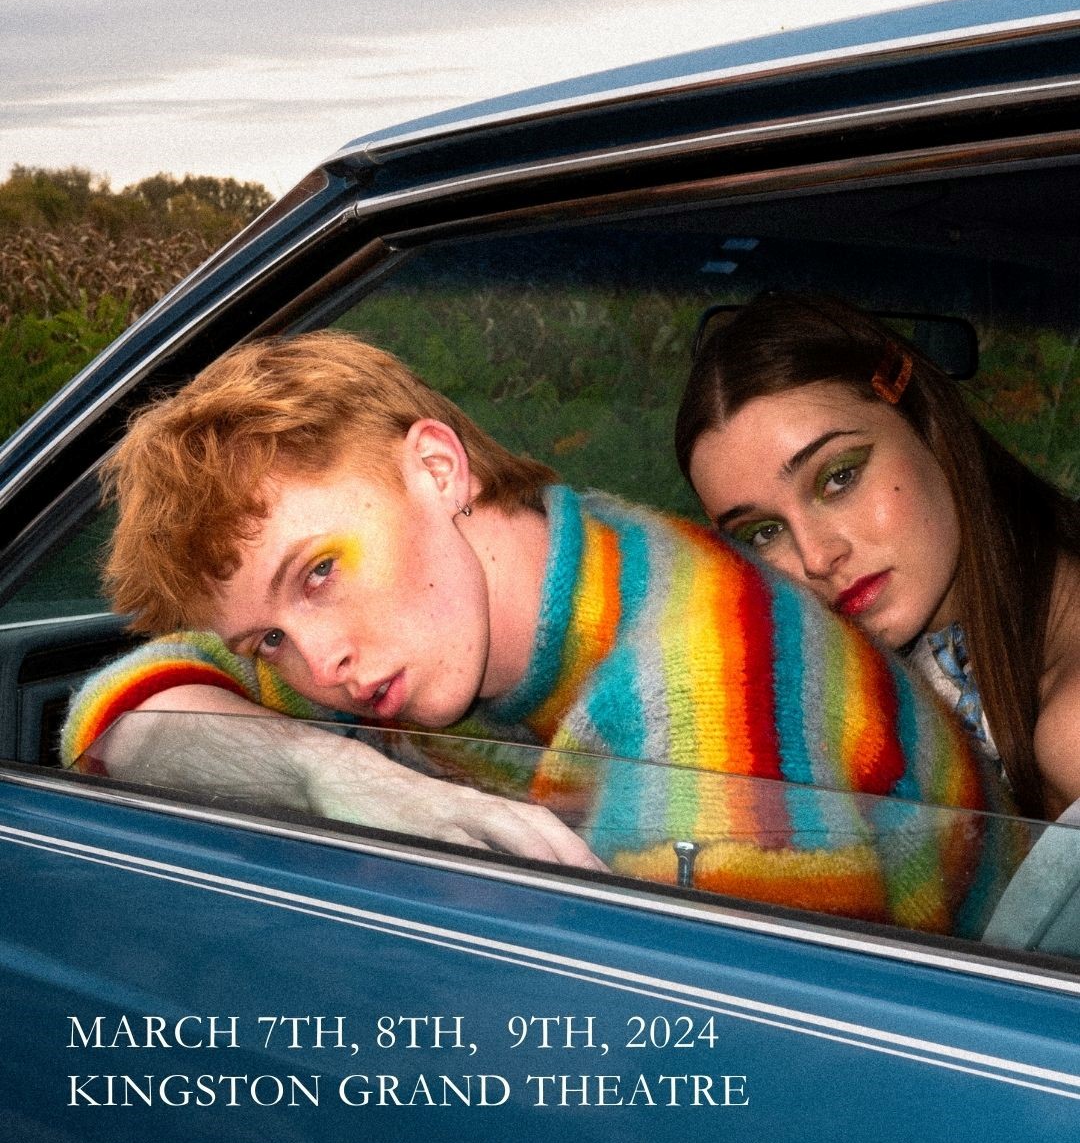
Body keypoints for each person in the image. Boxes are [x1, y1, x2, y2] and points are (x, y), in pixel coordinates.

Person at [62, 330, 1017, 931]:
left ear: (437, 470)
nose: (320, 664)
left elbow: (727, 1076)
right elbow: (125, 707)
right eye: (265, 642)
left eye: (319, 573)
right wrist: (337, 777)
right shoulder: (547, 556)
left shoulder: (703, 695)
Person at [676, 292, 1080, 820]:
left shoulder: (1068, 731)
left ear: (928, 426)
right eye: (763, 531)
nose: (817, 557)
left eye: (839, 476)